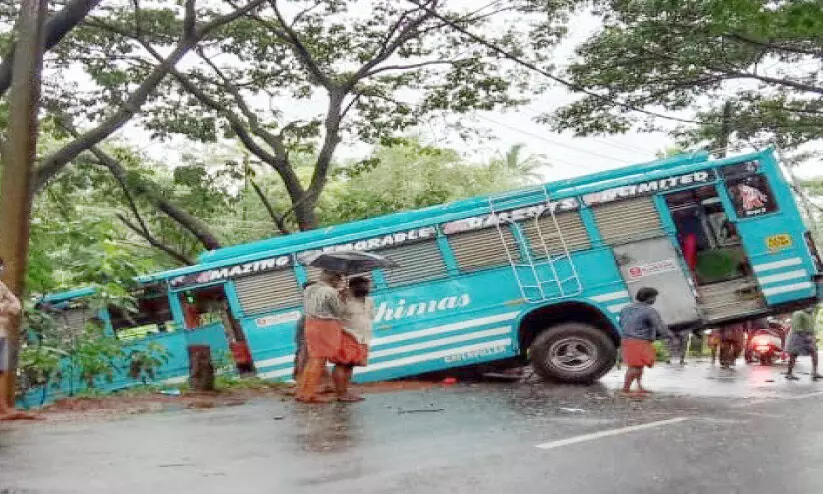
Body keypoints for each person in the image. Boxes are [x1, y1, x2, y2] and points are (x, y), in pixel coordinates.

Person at [295, 270, 347, 403]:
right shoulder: (330, 291)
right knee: (319, 361)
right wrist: (343, 297)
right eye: (339, 280)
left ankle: (302, 392)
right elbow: (339, 311)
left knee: (312, 360)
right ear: (334, 280)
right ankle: (309, 395)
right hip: (324, 325)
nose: (340, 283)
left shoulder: (310, 289)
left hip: (310, 323)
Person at [619, 287, 671, 395]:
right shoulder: (649, 310)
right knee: (635, 367)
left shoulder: (625, 308)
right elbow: (660, 326)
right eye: (654, 297)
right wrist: (669, 336)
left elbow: (621, 323)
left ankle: (639, 387)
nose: (654, 300)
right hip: (640, 341)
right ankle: (625, 389)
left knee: (638, 365)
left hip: (627, 340)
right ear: (649, 298)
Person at [333, 276, 375, 402]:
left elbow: (371, 316)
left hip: (362, 338)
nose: (366, 288)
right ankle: (340, 393)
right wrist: (340, 294)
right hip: (346, 335)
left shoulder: (370, 301)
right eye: (362, 285)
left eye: (367, 285)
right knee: (342, 364)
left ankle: (345, 391)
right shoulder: (343, 300)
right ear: (352, 287)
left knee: (350, 365)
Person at [0, 257, 22, 418]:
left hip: (1, 333)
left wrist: (4, 309)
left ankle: (4, 407)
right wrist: (4, 307)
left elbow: (16, 306)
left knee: (1, 371)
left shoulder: (1, 286)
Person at [785, 308, 822, 381]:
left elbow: (810, 327)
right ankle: (789, 373)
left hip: (808, 337)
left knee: (814, 353)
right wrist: (805, 336)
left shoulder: (809, 315)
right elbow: (796, 327)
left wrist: (812, 336)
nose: (811, 307)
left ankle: (814, 372)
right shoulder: (798, 313)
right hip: (797, 337)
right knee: (793, 355)